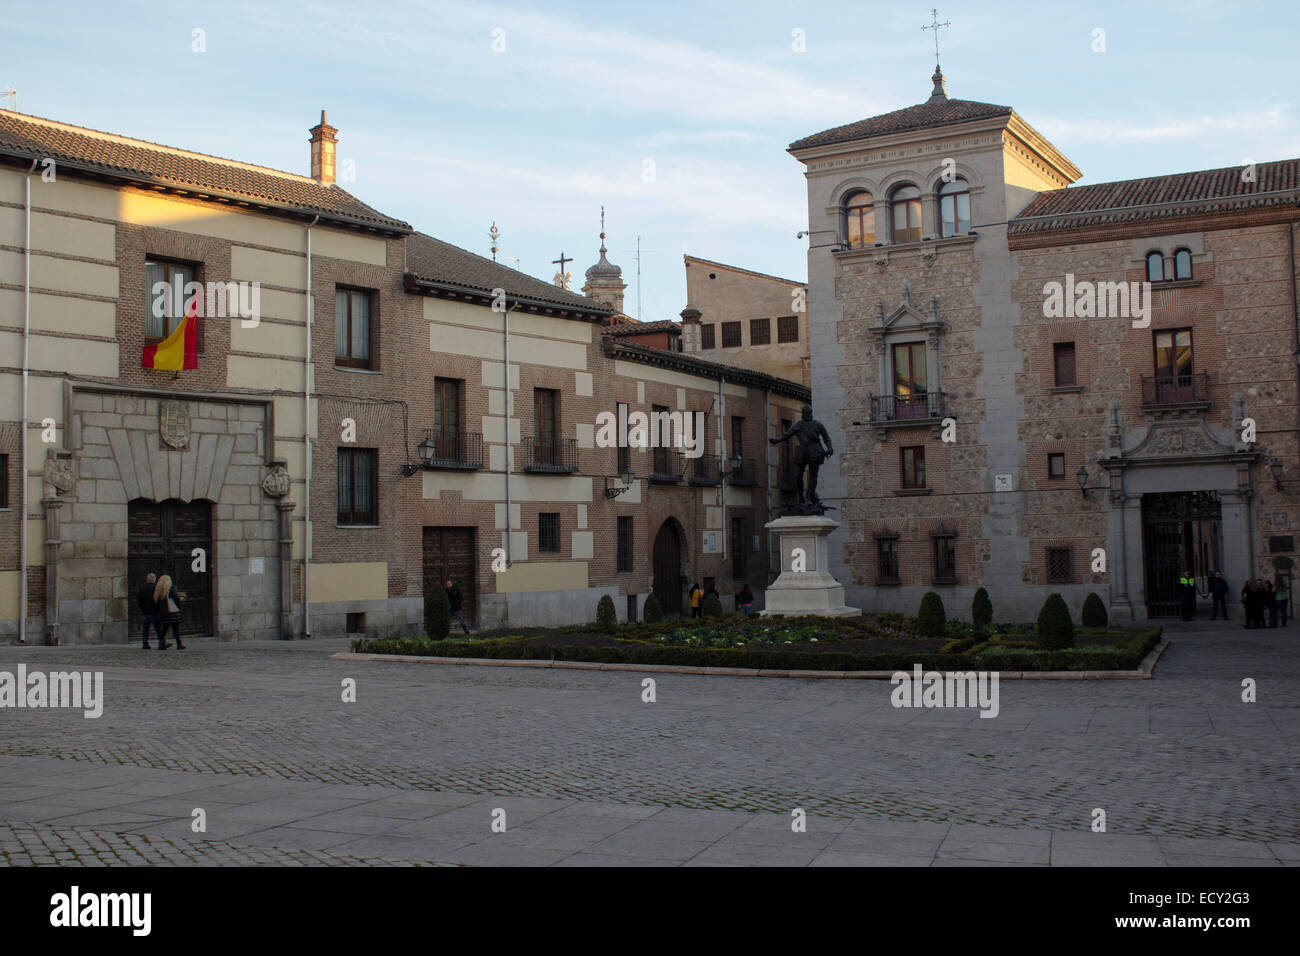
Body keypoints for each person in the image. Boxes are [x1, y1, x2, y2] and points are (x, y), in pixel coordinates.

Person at [154, 574, 185, 650]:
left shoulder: (158, 590)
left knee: (164, 629)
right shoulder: (171, 588)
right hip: (172, 612)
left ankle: (161, 643)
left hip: (164, 613)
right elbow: (176, 599)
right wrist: (179, 607)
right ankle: (179, 644)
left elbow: (157, 602)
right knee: (176, 630)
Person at [137, 571, 162, 649]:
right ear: (153, 579)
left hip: (145, 611)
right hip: (154, 611)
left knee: (145, 629)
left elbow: (139, 600)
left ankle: (145, 643)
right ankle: (161, 642)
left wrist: (142, 608)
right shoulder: (155, 588)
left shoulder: (142, 588)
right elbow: (158, 600)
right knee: (158, 628)